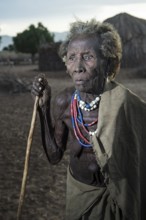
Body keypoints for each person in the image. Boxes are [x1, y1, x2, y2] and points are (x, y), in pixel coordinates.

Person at [31, 19, 146, 220]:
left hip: (121, 198)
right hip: (80, 196)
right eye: (72, 57)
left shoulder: (125, 105)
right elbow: (54, 156)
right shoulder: (64, 102)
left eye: (88, 57)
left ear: (108, 62)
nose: (78, 67)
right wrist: (43, 108)